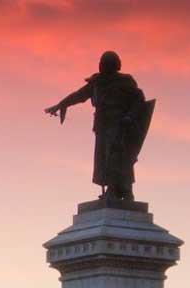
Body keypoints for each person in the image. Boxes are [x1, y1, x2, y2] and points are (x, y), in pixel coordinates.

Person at [45, 51, 148, 201]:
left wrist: (129, 117)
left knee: (118, 156)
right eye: (102, 62)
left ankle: (122, 190)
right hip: (102, 124)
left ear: (115, 64)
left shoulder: (125, 82)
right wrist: (61, 104)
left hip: (119, 123)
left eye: (107, 62)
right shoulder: (97, 82)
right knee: (104, 158)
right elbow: (78, 95)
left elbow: (139, 100)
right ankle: (112, 189)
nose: (103, 65)